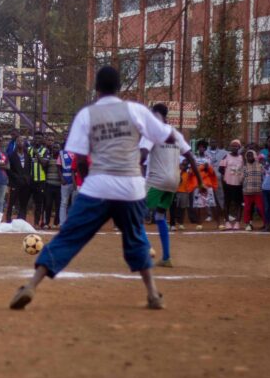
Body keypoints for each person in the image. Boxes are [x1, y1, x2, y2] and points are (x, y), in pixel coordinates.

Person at [9, 66, 176, 311]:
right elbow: (165, 136)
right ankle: (152, 293)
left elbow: (77, 158)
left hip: (98, 186)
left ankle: (32, 285)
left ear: (96, 89)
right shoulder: (137, 110)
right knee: (136, 236)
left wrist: (87, 183)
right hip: (131, 187)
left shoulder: (87, 114)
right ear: (119, 88)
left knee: (69, 236)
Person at [139, 103, 204, 267]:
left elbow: (142, 155)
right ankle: (166, 257)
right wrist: (201, 182)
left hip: (156, 180)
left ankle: (147, 248)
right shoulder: (175, 133)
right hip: (174, 182)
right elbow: (190, 157)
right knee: (160, 215)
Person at [191, 140, 222, 230]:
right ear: (198, 148)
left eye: (203, 147)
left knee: (212, 203)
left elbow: (210, 170)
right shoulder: (194, 157)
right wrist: (202, 167)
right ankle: (199, 224)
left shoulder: (208, 158)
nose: (201, 148)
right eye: (200, 147)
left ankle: (218, 224)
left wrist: (204, 168)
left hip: (207, 184)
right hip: (197, 184)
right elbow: (193, 170)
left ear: (205, 148)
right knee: (198, 205)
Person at [219, 139, 245, 230]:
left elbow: (244, 169)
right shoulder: (226, 156)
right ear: (230, 147)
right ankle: (227, 222)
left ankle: (237, 222)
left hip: (238, 184)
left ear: (239, 147)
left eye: (236, 146)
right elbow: (221, 169)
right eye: (232, 146)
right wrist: (225, 178)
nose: (234, 147)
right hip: (228, 184)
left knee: (239, 203)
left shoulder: (242, 157)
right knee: (227, 203)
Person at [6, 135, 31, 222]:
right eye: (18, 141)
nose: (20, 142)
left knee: (23, 203)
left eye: (22, 141)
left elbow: (29, 168)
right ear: (16, 143)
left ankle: (21, 219)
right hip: (15, 182)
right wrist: (16, 177)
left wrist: (27, 178)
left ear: (24, 143)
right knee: (11, 202)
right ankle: (8, 220)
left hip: (25, 183)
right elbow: (8, 169)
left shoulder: (28, 156)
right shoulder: (11, 156)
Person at [28, 131, 49, 230]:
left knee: (39, 202)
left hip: (41, 180)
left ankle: (36, 223)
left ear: (42, 139)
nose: (37, 140)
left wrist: (37, 153)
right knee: (26, 201)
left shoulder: (45, 150)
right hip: (30, 180)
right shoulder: (29, 149)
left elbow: (44, 163)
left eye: (39, 138)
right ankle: (23, 222)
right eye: (36, 138)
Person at [241, 150, 265, 231]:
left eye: (251, 155)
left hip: (258, 192)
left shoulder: (260, 166)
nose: (249, 157)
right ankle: (248, 224)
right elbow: (241, 179)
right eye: (248, 156)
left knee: (261, 208)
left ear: (255, 156)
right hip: (247, 192)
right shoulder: (244, 167)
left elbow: (264, 177)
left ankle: (266, 223)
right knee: (247, 209)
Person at [43, 142, 63, 229]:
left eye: (57, 148)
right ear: (52, 149)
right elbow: (44, 168)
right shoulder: (49, 158)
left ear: (60, 149)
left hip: (59, 186)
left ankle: (56, 223)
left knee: (58, 205)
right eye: (54, 148)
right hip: (49, 185)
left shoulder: (62, 159)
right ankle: (46, 223)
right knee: (48, 204)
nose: (55, 149)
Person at [206, 138, 227, 216]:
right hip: (208, 177)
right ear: (209, 143)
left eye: (214, 142)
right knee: (208, 195)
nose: (213, 143)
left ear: (217, 143)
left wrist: (243, 148)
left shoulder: (223, 152)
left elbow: (233, 153)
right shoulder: (205, 152)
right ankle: (210, 214)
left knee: (220, 195)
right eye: (211, 142)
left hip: (218, 177)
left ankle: (223, 212)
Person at [57, 146, 76, 225]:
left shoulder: (78, 152)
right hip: (65, 181)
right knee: (64, 203)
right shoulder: (62, 153)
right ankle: (62, 223)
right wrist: (61, 178)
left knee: (74, 203)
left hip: (76, 182)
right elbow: (58, 167)